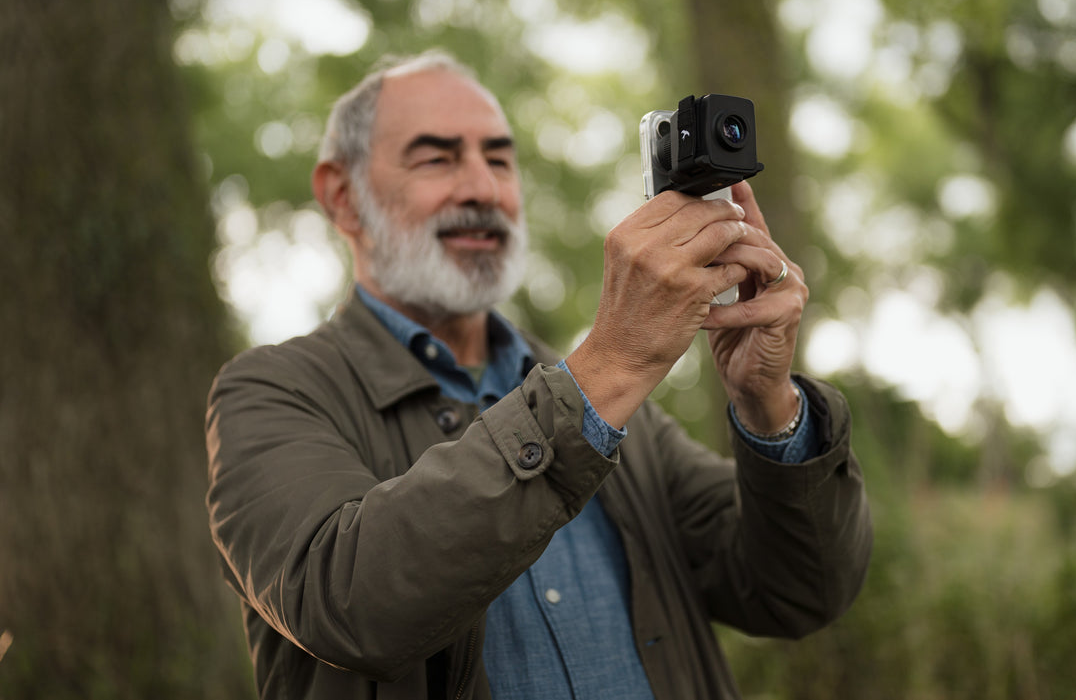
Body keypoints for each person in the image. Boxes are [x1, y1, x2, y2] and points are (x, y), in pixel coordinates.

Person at [205, 50, 872, 700]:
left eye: (499, 157)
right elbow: (348, 603)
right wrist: (606, 369)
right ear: (343, 197)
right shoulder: (269, 392)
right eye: (437, 157)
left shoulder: (617, 409)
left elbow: (799, 591)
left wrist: (768, 405)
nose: (482, 188)